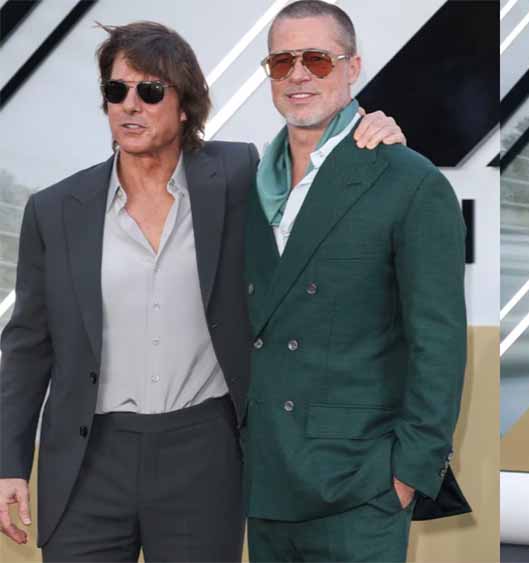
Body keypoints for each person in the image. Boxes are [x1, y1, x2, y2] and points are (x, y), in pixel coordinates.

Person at [0, 20, 401, 561]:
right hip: (88, 458)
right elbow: (28, 347)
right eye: (116, 90)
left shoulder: (238, 175)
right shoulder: (54, 210)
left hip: (204, 455)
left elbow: (317, 172)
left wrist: (372, 131)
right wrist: (8, 463)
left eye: (150, 91)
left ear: (185, 106)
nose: (130, 105)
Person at [241, 2, 468, 561]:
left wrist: (408, 473)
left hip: (360, 485)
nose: (297, 75)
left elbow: (438, 342)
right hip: (265, 479)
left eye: (317, 60)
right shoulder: (243, 183)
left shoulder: (408, 181)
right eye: (281, 62)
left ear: (353, 68)